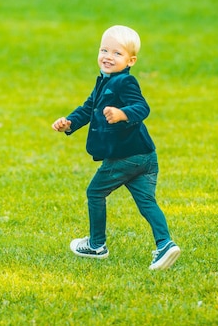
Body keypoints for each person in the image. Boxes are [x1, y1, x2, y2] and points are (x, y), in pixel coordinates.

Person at [52, 25, 180, 270]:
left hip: (126, 157)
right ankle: (165, 244)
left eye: (117, 53)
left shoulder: (125, 82)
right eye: (104, 50)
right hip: (145, 156)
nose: (108, 56)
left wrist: (122, 113)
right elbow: (88, 108)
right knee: (146, 201)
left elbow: (142, 108)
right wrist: (69, 123)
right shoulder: (104, 81)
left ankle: (96, 245)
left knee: (95, 192)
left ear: (131, 60)